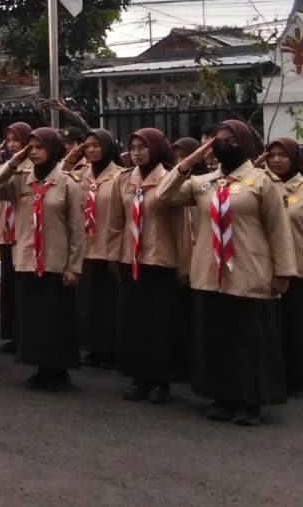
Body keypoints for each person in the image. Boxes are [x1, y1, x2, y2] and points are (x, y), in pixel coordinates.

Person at [162, 121, 295, 426]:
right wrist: (190, 162)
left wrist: (283, 271)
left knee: (249, 340)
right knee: (217, 338)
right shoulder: (203, 183)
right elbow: (165, 196)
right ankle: (221, 395)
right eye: (218, 140)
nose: (223, 144)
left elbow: (279, 230)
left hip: (250, 271)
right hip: (210, 273)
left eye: (231, 139)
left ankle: (250, 400)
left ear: (246, 144)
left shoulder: (262, 182)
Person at [0, 127, 85, 389]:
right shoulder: (21, 180)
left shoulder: (67, 183)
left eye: (39, 147)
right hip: (27, 258)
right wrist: (14, 162)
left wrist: (74, 267)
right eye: (31, 148)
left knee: (56, 319)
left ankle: (58, 370)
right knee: (34, 318)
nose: (35, 152)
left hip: (55, 262)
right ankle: (40, 366)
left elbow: (77, 229)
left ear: (53, 149)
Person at [107, 128, 187, 404]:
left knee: (160, 324)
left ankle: (160, 381)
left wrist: (183, 266)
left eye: (143, 147)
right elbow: (116, 222)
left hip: (161, 259)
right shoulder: (124, 180)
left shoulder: (169, 180)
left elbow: (181, 226)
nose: (137, 152)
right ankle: (138, 376)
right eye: (133, 147)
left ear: (157, 149)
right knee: (135, 321)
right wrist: (114, 256)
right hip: (132, 259)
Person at [62, 129, 126, 368]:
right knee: (88, 301)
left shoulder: (120, 175)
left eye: (96, 145)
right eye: (87, 146)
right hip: (85, 246)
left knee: (109, 302)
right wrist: (70, 159)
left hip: (108, 246)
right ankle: (93, 347)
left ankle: (110, 349)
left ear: (108, 148)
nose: (90, 150)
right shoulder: (79, 174)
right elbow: (58, 178)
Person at [264, 136, 303, 395]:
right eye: (272, 155)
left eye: (283, 155)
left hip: (299, 267)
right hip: (267, 269)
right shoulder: (261, 185)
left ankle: (297, 377)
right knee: (272, 327)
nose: (276, 160)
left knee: (295, 325)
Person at [0, 122, 32, 354]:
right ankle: (12, 333)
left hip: (24, 234)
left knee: (22, 287)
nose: (12, 144)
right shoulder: (7, 166)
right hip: (6, 234)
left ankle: (24, 334)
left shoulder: (31, 166)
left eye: (16, 139)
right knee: (8, 286)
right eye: (8, 140)